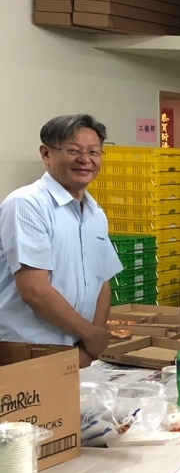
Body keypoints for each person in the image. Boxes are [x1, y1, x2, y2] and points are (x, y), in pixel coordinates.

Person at [0, 113, 120, 364]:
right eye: (73, 150)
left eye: (94, 152)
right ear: (46, 153)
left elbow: (102, 282)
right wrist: (90, 334)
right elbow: (35, 290)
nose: (85, 160)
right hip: (28, 350)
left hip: (77, 349)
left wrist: (90, 344)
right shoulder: (27, 204)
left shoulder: (95, 213)